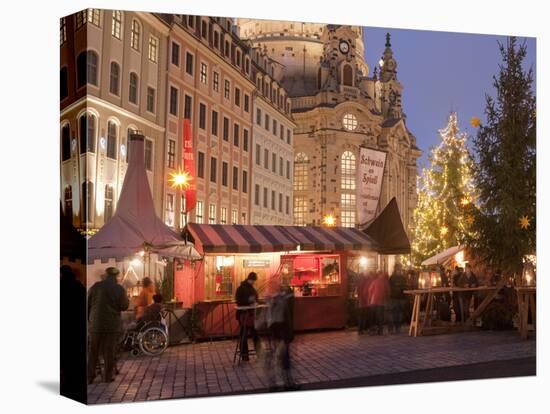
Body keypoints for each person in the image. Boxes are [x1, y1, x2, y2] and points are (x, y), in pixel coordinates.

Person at [87, 267, 129, 384]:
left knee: (93, 351)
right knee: (109, 352)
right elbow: (124, 306)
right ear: (116, 276)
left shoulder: (95, 287)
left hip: (95, 325)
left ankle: (89, 376)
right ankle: (107, 377)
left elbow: (87, 304)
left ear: (106, 275)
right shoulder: (119, 289)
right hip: (111, 325)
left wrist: (90, 321)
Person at [60, 265, 86, 399]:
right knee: (76, 354)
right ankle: (75, 379)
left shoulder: (60, 286)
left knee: (65, 354)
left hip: (64, 326)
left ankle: (67, 379)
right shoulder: (79, 287)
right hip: (77, 326)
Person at [266, 282, 296, 390]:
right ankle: (287, 383)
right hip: (281, 331)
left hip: (274, 331)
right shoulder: (281, 300)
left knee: (278, 356)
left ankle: (274, 383)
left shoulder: (272, 299)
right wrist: (289, 333)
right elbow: (285, 318)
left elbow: (269, 318)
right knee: (283, 357)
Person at [235, 272, 260, 361]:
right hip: (244, 315)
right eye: (253, 281)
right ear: (251, 279)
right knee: (249, 335)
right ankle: (254, 354)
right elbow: (238, 301)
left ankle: (245, 355)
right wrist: (249, 301)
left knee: (245, 335)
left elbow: (256, 297)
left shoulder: (247, 288)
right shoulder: (242, 288)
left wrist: (255, 301)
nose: (254, 282)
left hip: (249, 314)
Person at [368, 271, 390, 335]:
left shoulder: (375, 281)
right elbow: (388, 291)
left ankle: (372, 330)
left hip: (373, 301)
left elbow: (370, 290)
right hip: (381, 302)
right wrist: (386, 297)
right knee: (380, 317)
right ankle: (380, 331)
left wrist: (370, 299)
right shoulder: (385, 282)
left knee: (373, 316)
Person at [388, 264, 407, 334]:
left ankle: (397, 328)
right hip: (394, 298)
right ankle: (394, 328)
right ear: (395, 269)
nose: (399, 270)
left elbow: (405, 287)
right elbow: (389, 287)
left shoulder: (402, 278)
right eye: (398, 269)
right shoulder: (392, 278)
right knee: (394, 314)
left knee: (399, 314)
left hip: (400, 298)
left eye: (400, 269)